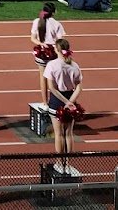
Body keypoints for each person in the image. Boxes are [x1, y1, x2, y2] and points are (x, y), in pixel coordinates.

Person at [43, 38, 84, 173]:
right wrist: (70, 102)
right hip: (71, 101)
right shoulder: (75, 65)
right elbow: (78, 87)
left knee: (59, 134)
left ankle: (60, 163)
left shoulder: (52, 65)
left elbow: (52, 88)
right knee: (68, 134)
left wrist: (65, 103)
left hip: (57, 101)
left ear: (57, 49)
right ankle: (68, 163)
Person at [31, 2, 66, 99]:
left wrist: (41, 44)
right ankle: (54, 101)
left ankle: (44, 102)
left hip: (41, 53)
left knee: (43, 78)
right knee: (54, 79)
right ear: (54, 12)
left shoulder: (37, 21)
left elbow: (33, 39)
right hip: (53, 53)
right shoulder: (57, 24)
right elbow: (60, 42)